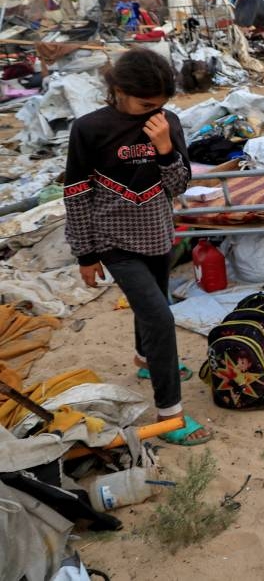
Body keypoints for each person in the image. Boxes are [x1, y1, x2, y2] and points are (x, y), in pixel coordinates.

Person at [64, 48, 211, 447]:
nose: (153, 113)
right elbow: (76, 194)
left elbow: (178, 187)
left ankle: (145, 360)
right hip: (114, 242)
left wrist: (165, 146)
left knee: (154, 302)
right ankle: (170, 416)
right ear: (117, 90)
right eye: (145, 104)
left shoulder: (167, 124)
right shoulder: (89, 129)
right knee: (161, 318)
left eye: (160, 105)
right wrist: (86, 254)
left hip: (158, 235)